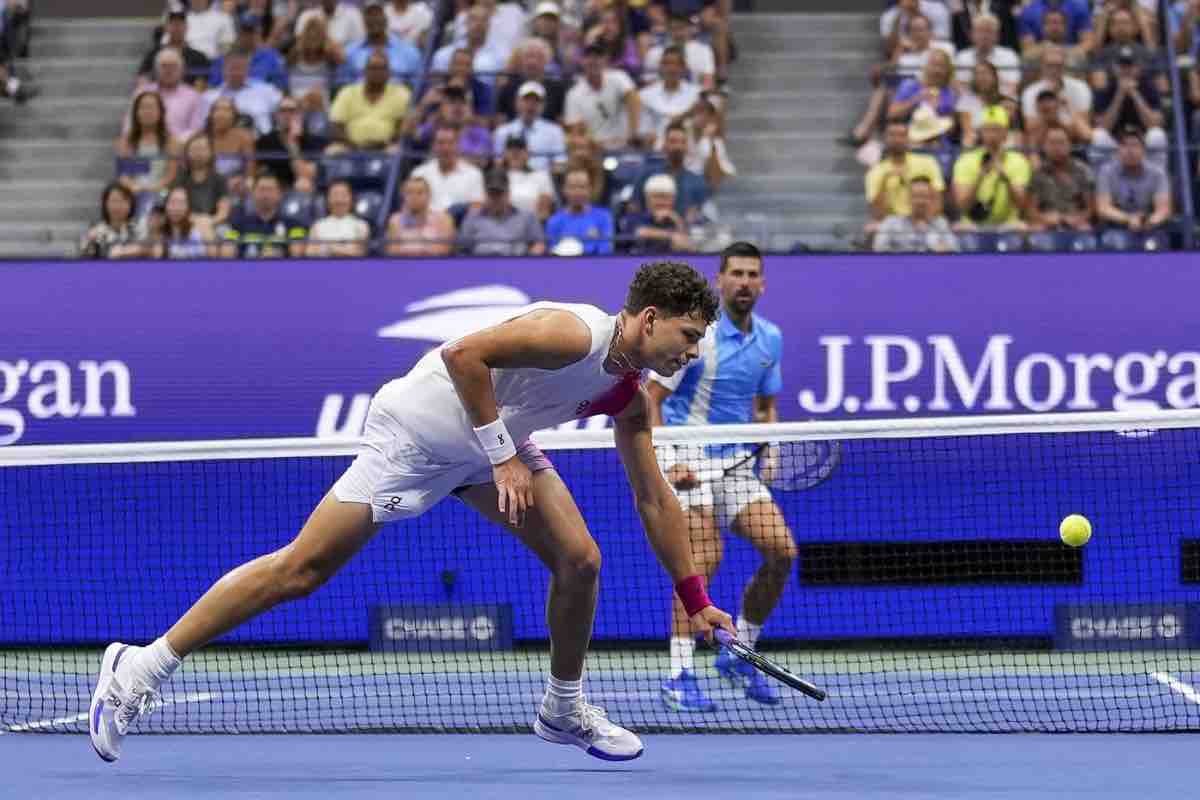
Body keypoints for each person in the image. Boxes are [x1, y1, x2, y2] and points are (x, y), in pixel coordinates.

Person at [89, 260, 734, 764]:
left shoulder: (627, 394)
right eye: (688, 335)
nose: (692, 350)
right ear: (650, 319)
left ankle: (562, 710)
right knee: (301, 572)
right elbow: (463, 356)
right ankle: (137, 669)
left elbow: (652, 495)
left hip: (487, 447)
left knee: (581, 560)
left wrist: (694, 593)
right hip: (416, 435)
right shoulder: (576, 333)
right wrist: (502, 454)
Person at [647, 242, 793, 713]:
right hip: (686, 456)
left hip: (736, 462)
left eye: (753, 274)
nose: (745, 281)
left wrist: (768, 447)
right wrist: (670, 460)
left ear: (764, 284)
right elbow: (650, 397)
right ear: (721, 280)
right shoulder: (698, 336)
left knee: (782, 551)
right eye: (737, 273)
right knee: (702, 556)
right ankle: (679, 674)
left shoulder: (770, 339)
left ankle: (740, 653)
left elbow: (766, 405)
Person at [873, 176, 959, 252]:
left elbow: (954, 249)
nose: (920, 201)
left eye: (925, 196)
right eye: (916, 196)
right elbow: (879, 249)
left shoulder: (940, 223)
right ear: (908, 199)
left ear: (931, 199)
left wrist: (939, 247)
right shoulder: (891, 222)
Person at [546, 167, 614, 255]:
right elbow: (552, 250)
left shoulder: (604, 217)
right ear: (564, 190)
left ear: (590, 189)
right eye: (572, 187)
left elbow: (606, 248)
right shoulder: (554, 220)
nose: (577, 192)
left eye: (582, 187)